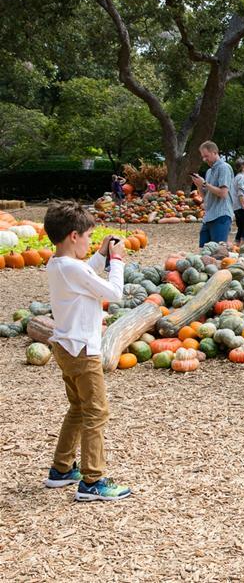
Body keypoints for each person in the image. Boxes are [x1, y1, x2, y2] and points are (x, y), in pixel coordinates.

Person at [42, 201, 131, 501]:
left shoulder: (58, 264)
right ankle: (93, 481)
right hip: (83, 351)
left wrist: (100, 254)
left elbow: (84, 275)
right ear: (73, 236)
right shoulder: (71, 268)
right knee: (96, 410)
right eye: (89, 237)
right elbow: (114, 294)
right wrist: (116, 260)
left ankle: (62, 469)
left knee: (79, 408)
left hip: (66, 347)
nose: (91, 242)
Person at [190, 141, 233, 248]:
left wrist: (204, 183)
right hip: (208, 217)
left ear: (215, 152)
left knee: (218, 254)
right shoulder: (209, 171)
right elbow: (205, 197)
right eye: (202, 157)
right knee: (203, 253)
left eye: (206, 156)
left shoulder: (224, 168)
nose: (204, 159)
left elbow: (223, 193)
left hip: (221, 216)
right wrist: (199, 185)